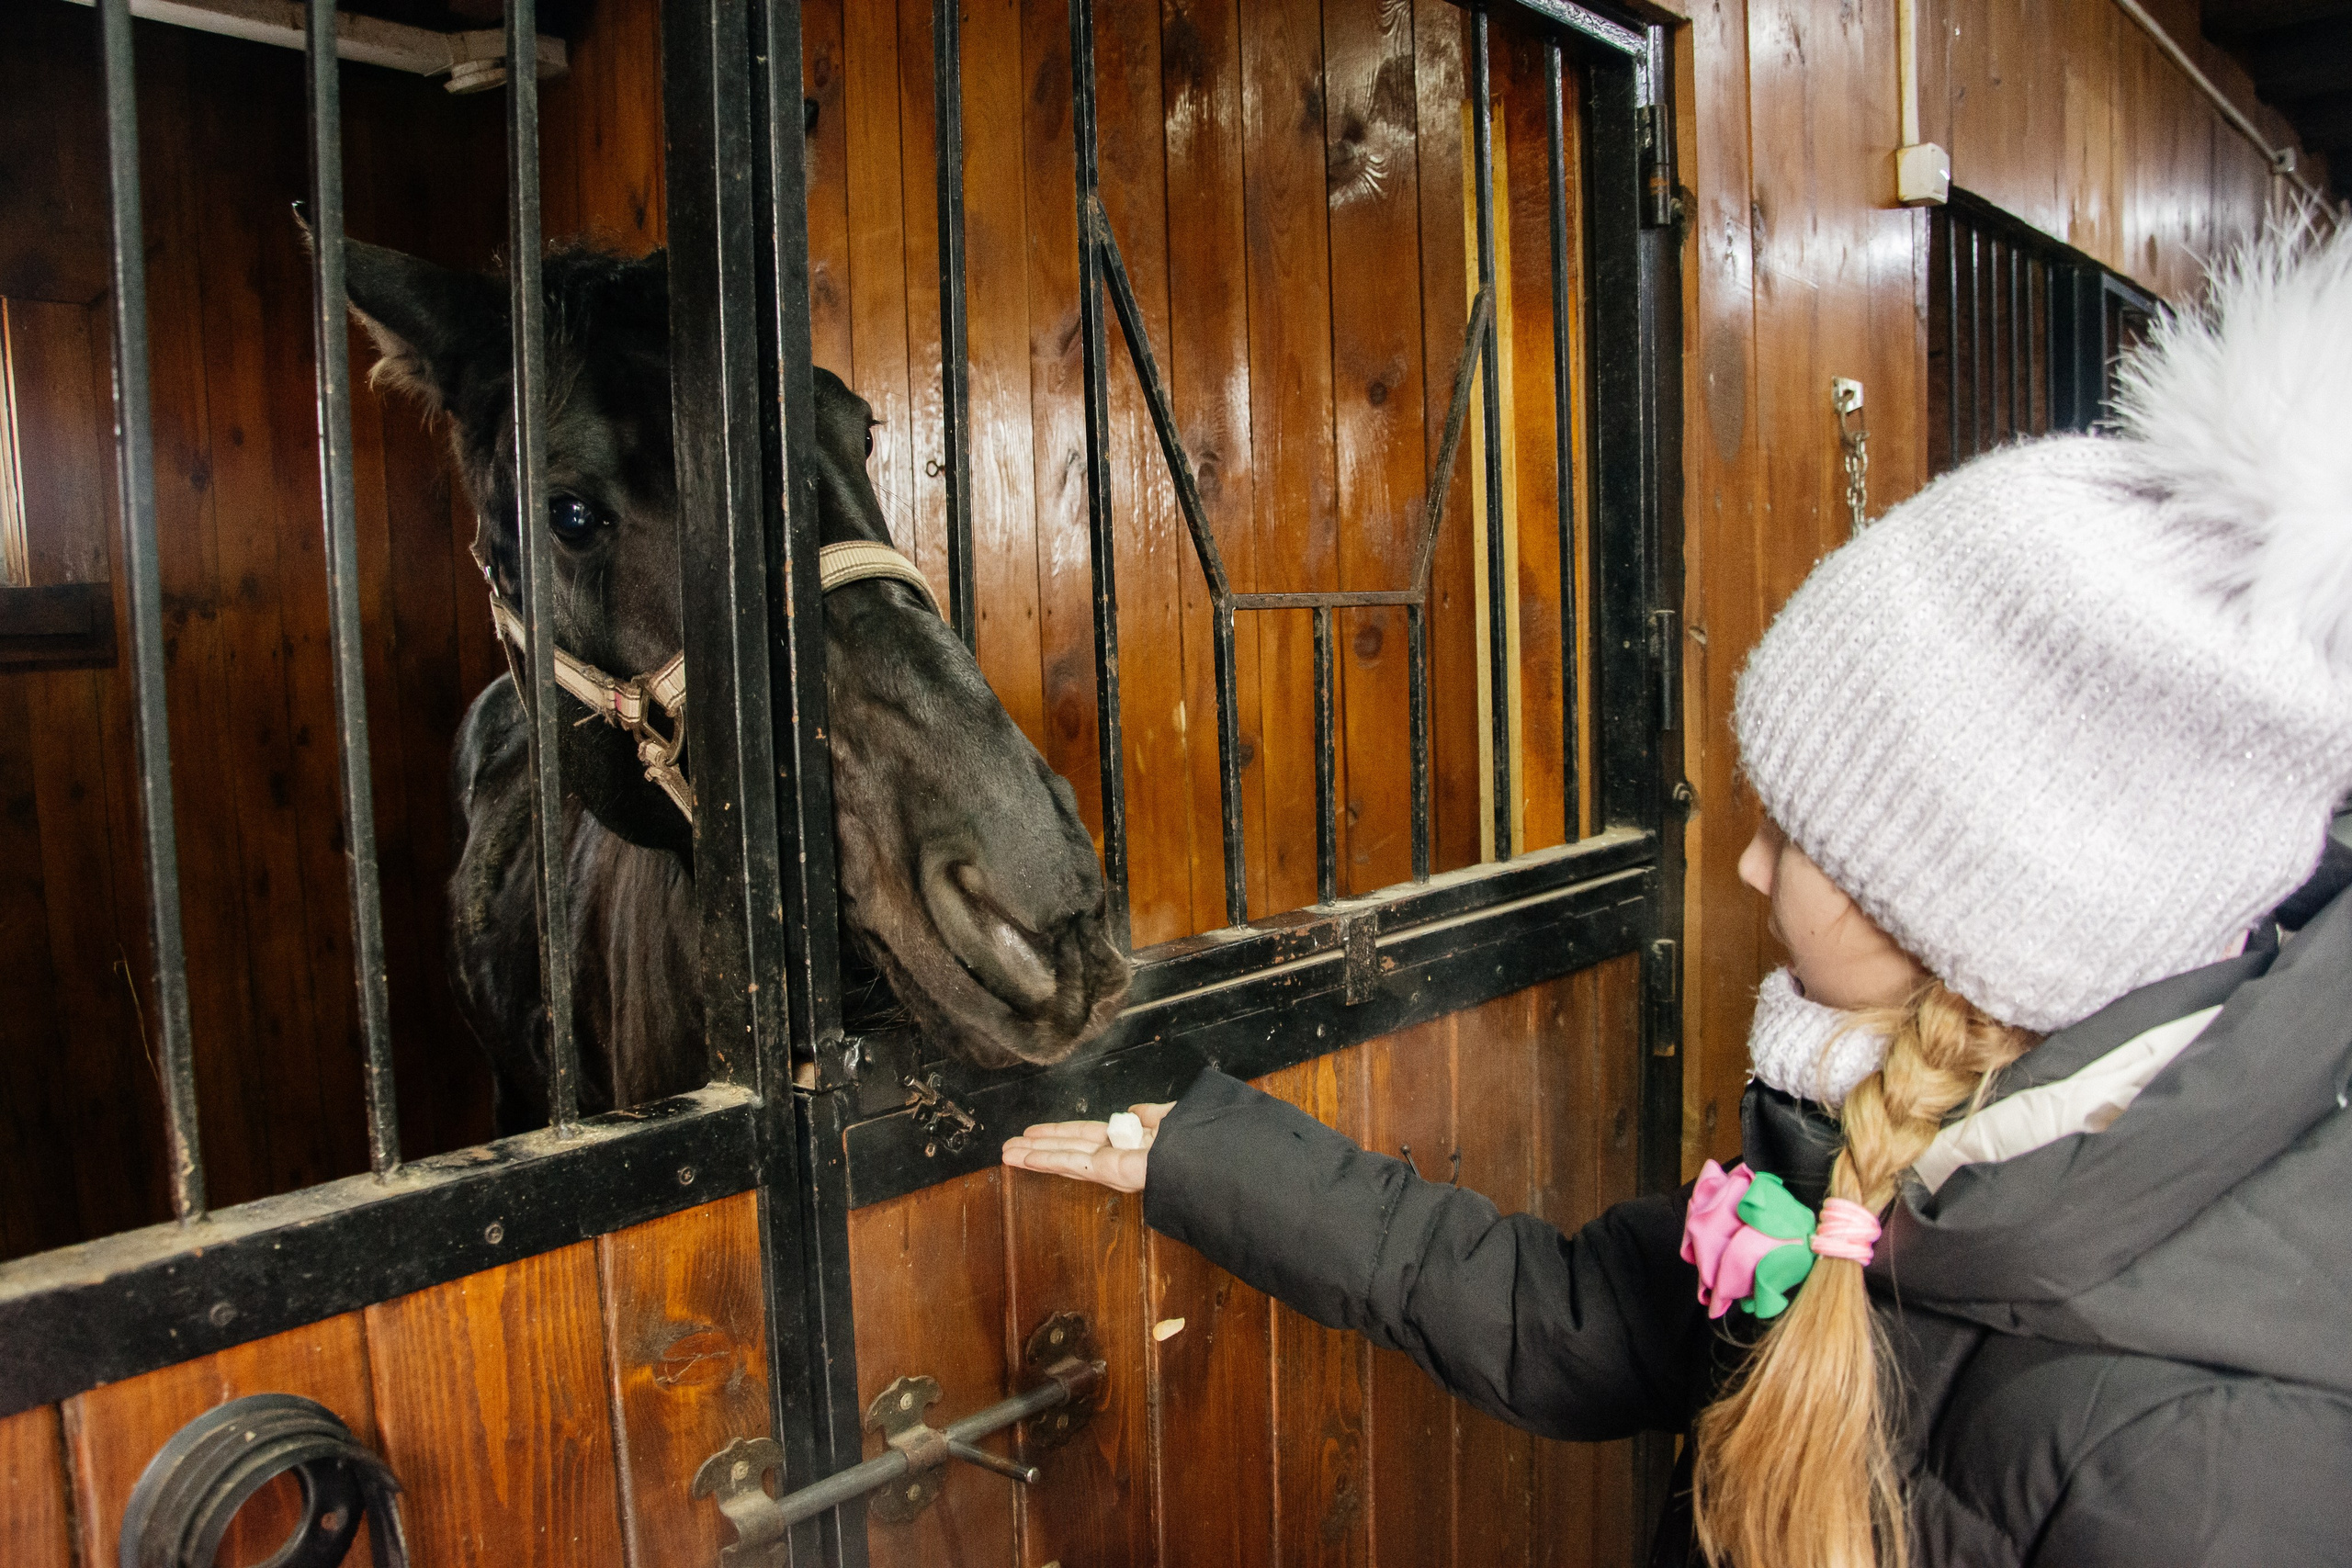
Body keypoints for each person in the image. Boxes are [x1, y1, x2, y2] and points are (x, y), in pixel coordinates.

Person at [1002, 220, 2352, 1567]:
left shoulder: (2216, 1463)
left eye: (1803, 834)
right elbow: (1578, 1314)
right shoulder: (1912, 1144)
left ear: (1974, 908)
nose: (1753, 864)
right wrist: (1200, 1158)